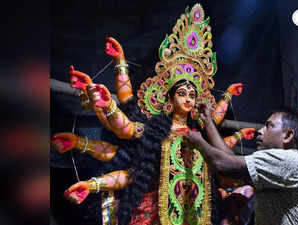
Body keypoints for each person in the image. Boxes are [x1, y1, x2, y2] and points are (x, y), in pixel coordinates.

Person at [50, 3, 256, 225]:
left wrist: (235, 124)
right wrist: (91, 184)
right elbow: (127, 146)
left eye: (192, 95)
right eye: (182, 93)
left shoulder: (202, 135)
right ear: (169, 98)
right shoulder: (153, 131)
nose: (188, 98)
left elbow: (224, 167)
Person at [185, 103, 298, 225]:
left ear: (287, 136)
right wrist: (209, 123)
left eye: (269, 126)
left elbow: (223, 164)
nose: (260, 131)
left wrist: (198, 141)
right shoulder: (276, 166)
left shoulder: (290, 161)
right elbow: (232, 164)